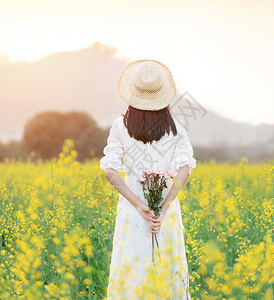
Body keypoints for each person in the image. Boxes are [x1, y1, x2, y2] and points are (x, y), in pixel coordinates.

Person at [100, 59, 196, 299]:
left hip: (132, 210)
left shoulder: (120, 126)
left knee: (132, 269)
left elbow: (110, 171)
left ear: (133, 94)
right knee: (167, 269)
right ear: (163, 96)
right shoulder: (177, 127)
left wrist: (139, 205)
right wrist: (162, 209)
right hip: (167, 210)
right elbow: (184, 170)